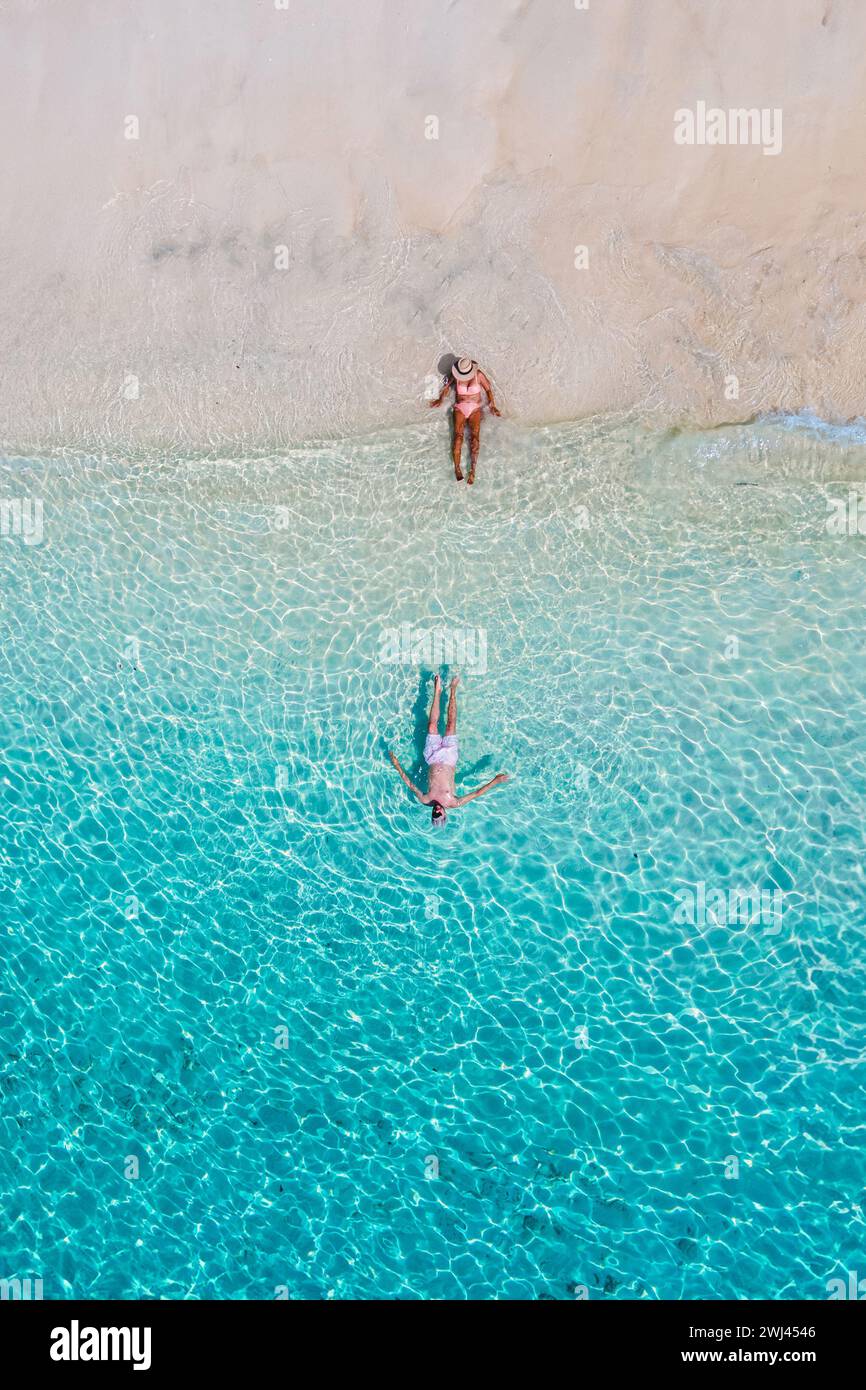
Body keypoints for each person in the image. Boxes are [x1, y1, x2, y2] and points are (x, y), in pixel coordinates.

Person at [388, 675, 509, 826]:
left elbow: (410, 784)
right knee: (451, 725)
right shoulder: (453, 802)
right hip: (449, 759)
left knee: (432, 725)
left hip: (432, 757)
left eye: (434, 813)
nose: (437, 810)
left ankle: (437, 691)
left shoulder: (425, 800)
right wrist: (495, 781)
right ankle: (453, 690)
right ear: (444, 814)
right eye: (439, 813)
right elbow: (477, 793)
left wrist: (397, 765)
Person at [429, 357, 500, 484]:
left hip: (475, 409)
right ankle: (457, 468)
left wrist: (492, 406)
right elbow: (447, 386)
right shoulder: (456, 376)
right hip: (460, 408)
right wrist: (440, 399)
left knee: (475, 438)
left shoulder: (478, 375)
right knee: (458, 438)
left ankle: (473, 470)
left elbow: (488, 390)